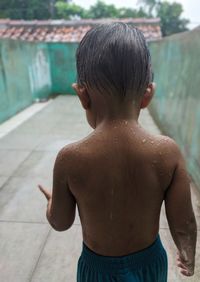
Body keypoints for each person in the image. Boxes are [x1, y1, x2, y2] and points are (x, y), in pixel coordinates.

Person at [39, 23, 197, 281]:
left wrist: (50, 203)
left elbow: (60, 222)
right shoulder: (167, 153)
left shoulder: (70, 159)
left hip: (97, 270)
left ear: (82, 96)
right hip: (149, 265)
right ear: (148, 95)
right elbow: (184, 222)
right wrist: (187, 254)